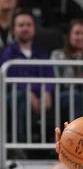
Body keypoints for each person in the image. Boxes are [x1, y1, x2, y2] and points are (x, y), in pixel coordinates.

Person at [0, 10, 54, 143]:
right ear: (13, 30)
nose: (25, 28)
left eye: (28, 25)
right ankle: (19, 144)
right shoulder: (7, 53)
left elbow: (49, 76)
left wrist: (47, 93)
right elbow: (9, 80)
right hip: (13, 96)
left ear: (34, 29)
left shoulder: (42, 53)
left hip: (40, 96)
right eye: (21, 25)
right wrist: (28, 94)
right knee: (20, 97)